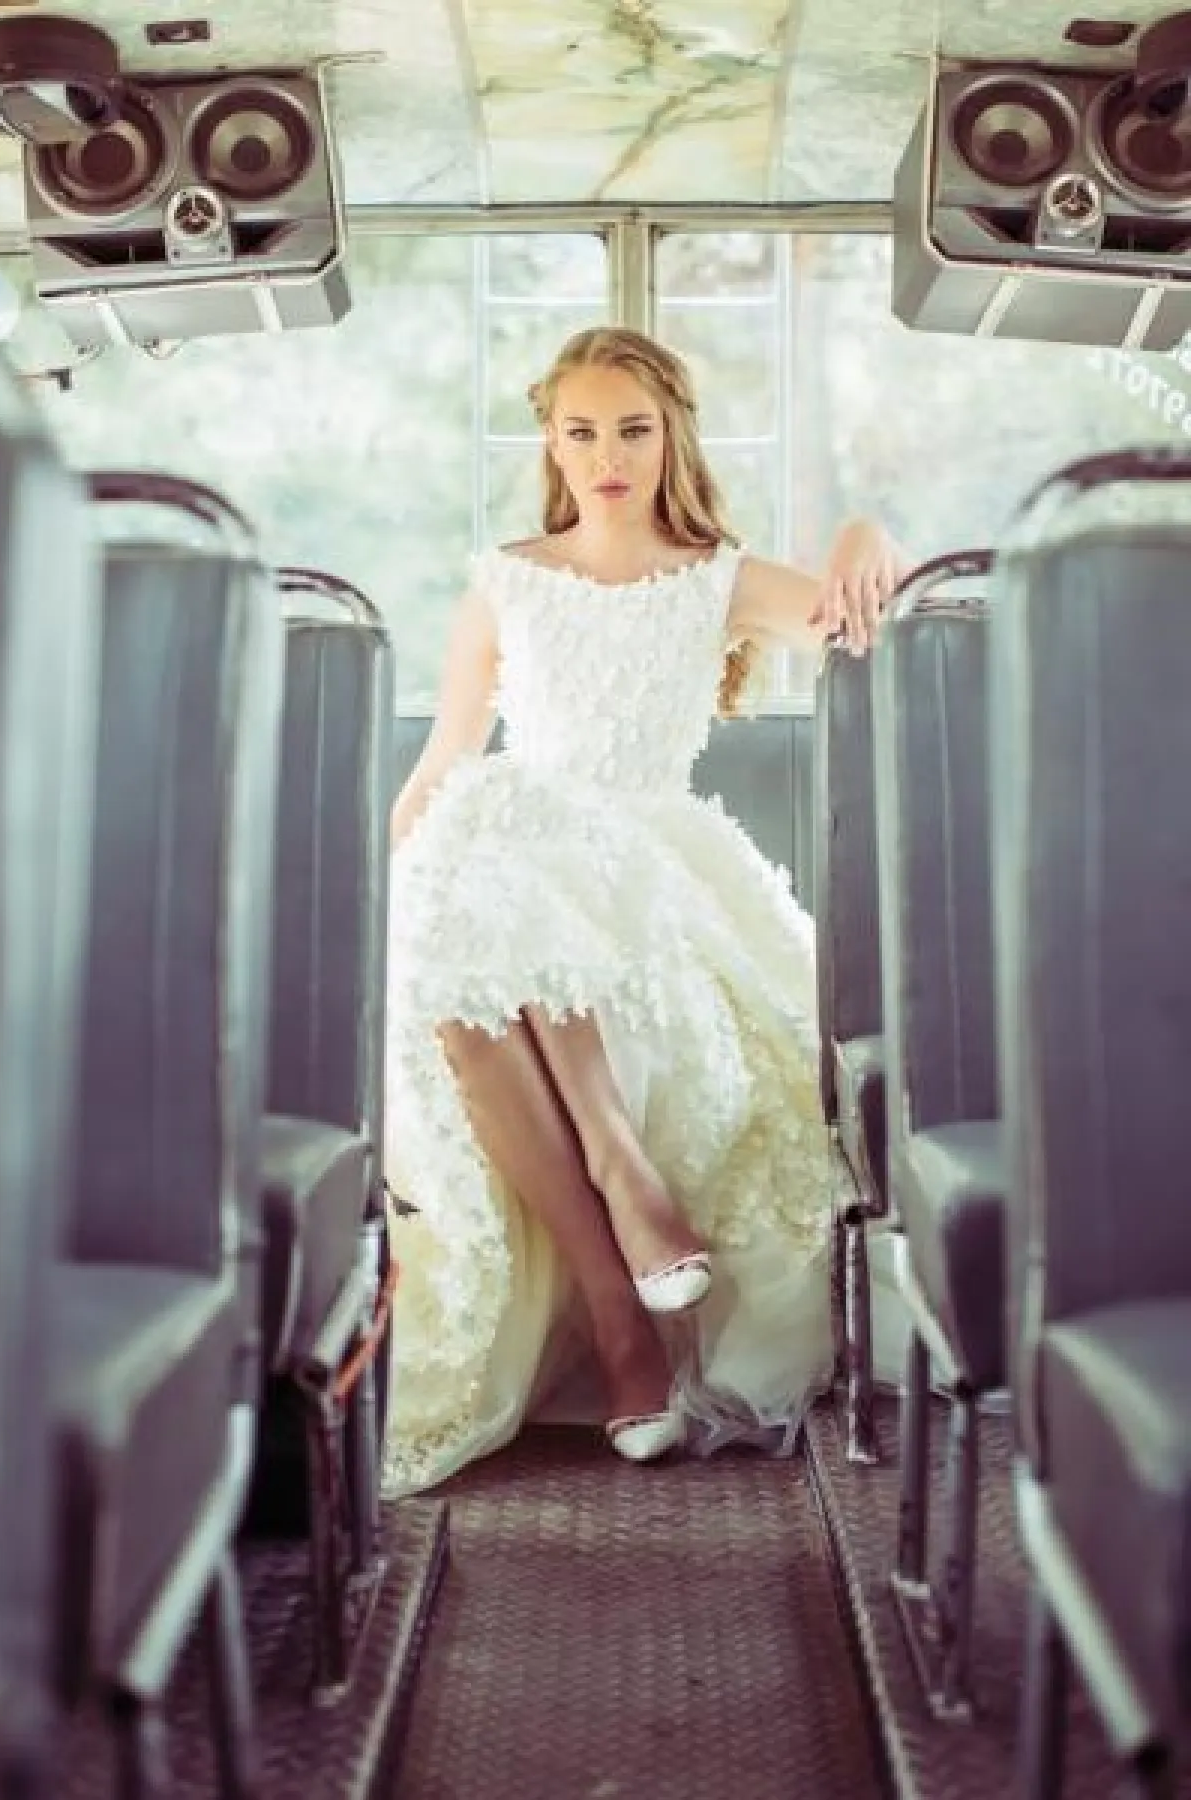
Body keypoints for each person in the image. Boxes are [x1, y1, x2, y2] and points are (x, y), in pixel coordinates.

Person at [385, 325, 907, 1494]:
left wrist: (866, 532)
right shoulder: (507, 578)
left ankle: (625, 1206)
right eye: (582, 433)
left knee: (512, 849)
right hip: (506, 854)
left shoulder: (718, 576)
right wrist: (364, 905)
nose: (608, 456)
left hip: (648, 860)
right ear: (551, 444)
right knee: (482, 858)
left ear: (671, 437)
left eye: (633, 430)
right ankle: (620, 1254)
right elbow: (444, 762)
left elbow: (871, 611)